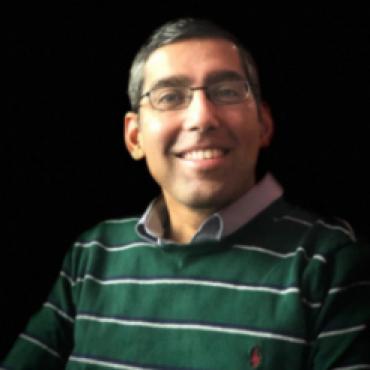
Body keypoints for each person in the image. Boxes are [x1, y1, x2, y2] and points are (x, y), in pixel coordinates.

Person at [2, 17, 369, 370]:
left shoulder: (331, 262)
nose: (201, 117)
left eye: (226, 91)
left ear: (263, 123)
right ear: (135, 137)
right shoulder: (91, 256)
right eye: (169, 96)